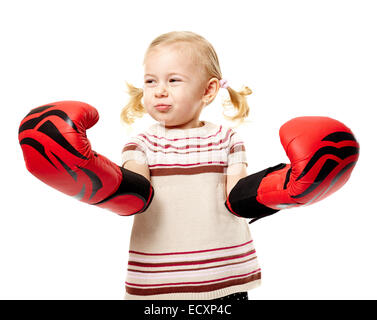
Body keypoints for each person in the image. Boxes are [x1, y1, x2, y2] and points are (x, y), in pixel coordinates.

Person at [120, 31, 259, 300]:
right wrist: (86, 171)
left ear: (208, 90)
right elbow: (133, 196)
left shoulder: (227, 139)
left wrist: (286, 185)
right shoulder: (141, 144)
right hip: (158, 283)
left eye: (173, 80)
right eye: (150, 81)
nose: (159, 90)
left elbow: (239, 199)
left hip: (224, 277)